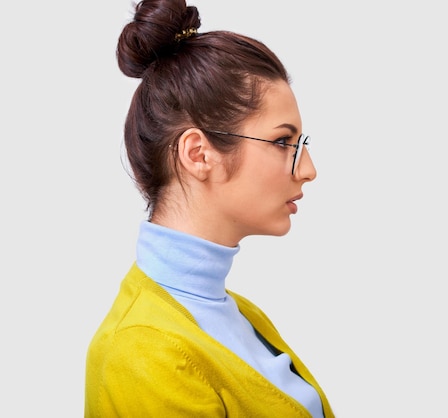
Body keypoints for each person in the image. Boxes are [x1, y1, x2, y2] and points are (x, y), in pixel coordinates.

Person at [84, 0, 334, 416]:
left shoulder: (238, 313)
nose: (307, 170)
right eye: (281, 142)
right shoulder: (142, 350)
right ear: (198, 154)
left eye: (300, 144)